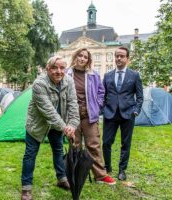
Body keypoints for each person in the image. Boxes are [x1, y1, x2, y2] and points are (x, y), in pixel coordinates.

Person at [21, 56, 80, 200]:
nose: (58, 71)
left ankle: (62, 179)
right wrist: (65, 128)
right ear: (47, 69)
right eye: (54, 68)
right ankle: (26, 189)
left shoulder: (69, 81)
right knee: (30, 154)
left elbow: (73, 104)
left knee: (58, 150)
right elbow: (49, 112)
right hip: (37, 124)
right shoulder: (39, 84)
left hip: (59, 124)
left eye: (61, 68)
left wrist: (72, 125)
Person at [67, 48, 116, 185]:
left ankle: (100, 175)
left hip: (89, 115)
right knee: (74, 145)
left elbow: (101, 92)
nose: (82, 59)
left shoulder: (93, 75)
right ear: (75, 56)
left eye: (85, 57)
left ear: (88, 60)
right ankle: (75, 175)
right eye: (80, 56)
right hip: (72, 116)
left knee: (93, 145)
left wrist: (97, 105)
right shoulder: (66, 74)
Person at [102, 47, 143, 181]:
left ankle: (122, 170)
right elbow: (103, 95)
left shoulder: (134, 75)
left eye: (122, 56)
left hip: (128, 114)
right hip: (110, 114)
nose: (119, 58)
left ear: (127, 59)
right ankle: (107, 167)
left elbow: (140, 96)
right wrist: (102, 109)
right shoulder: (107, 75)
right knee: (106, 142)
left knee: (126, 143)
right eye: (117, 56)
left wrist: (136, 110)